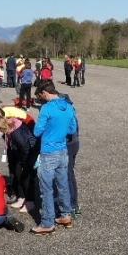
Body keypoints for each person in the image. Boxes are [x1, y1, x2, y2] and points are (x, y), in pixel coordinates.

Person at [31, 81, 77, 235]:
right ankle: (66, 215)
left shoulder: (46, 108)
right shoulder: (69, 106)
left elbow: (37, 132)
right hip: (63, 151)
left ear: (45, 93)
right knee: (63, 185)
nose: (41, 99)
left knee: (46, 189)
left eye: (41, 96)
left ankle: (47, 222)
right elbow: (72, 129)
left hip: (49, 152)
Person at [0, 117, 38, 213]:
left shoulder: (17, 134)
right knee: (17, 174)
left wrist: (25, 163)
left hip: (28, 155)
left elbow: (26, 149)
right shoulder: (9, 132)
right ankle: (22, 197)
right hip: (19, 153)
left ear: (1, 128)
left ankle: (30, 202)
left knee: (27, 178)